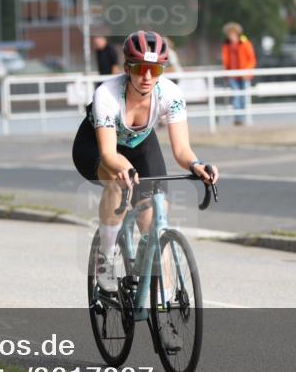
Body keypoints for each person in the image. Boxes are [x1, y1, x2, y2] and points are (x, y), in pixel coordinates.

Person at [72, 31, 219, 347]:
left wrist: (198, 166)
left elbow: (181, 150)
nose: (148, 76)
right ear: (127, 69)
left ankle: (162, 313)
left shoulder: (171, 94)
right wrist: (121, 167)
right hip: (98, 147)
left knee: (155, 223)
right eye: (140, 69)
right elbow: (110, 153)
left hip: (140, 145)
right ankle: (105, 261)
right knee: (116, 183)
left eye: (157, 70)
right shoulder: (107, 96)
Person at [221, 22, 256, 125]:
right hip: (233, 76)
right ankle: (238, 119)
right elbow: (225, 61)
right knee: (236, 96)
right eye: (229, 34)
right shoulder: (226, 45)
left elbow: (252, 59)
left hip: (244, 75)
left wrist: (247, 71)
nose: (231, 36)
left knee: (244, 97)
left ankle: (241, 117)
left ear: (237, 34)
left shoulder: (245, 43)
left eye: (232, 33)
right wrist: (226, 73)